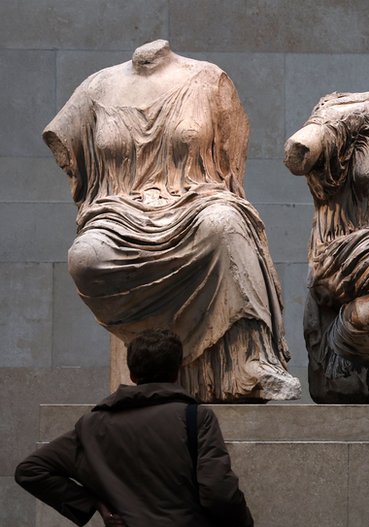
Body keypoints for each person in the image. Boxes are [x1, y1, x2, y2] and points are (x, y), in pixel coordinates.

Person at [43, 39, 299, 402]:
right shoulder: (96, 87)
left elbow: (231, 163)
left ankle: (249, 361)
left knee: (226, 223)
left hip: (196, 202)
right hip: (118, 214)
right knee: (85, 258)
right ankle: (153, 352)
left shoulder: (208, 79)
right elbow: (66, 147)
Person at [15, 329, 254, 527]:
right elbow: (218, 490)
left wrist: (93, 503)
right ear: (177, 370)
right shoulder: (195, 417)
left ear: (131, 372)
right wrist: (245, 521)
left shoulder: (93, 424)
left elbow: (30, 470)